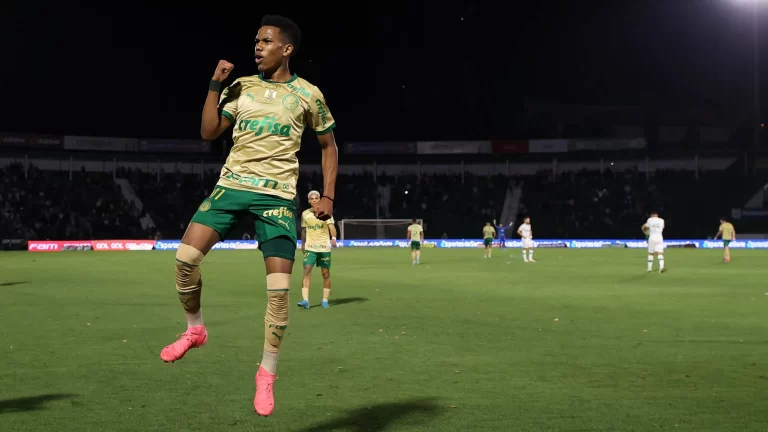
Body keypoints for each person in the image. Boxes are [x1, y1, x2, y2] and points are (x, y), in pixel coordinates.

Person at [159, 15, 338, 417]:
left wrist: (328, 195)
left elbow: (329, 146)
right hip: (231, 188)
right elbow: (209, 132)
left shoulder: (309, 95)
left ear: (286, 49)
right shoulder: (241, 86)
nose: (257, 46)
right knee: (185, 259)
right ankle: (195, 330)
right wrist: (214, 85)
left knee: (278, 291)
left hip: (275, 198)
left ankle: (266, 373)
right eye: (256, 40)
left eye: (266, 41)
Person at [298, 190, 337, 309]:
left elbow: (332, 227)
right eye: (312, 199)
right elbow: (304, 230)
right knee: (307, 270)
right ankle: (305, 300)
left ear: (319, 199)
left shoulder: (326, 212)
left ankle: (325, 300)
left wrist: (334, 238)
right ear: (309, 201)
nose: (314, 200)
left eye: (316, 198)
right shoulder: (305, 214)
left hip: (324, 247)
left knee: (325, 274)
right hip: (310, 248)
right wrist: (303, 244)